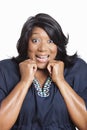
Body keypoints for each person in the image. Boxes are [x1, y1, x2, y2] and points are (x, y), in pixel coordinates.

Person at [0, 13, 87, 130]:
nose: (42, 48)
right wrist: (24, 81)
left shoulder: (76, 69)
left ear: (58, 44)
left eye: (50, 41)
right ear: (26, 42)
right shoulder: (6, 70)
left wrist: (61, 81)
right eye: (35, 40)